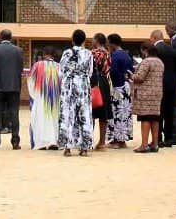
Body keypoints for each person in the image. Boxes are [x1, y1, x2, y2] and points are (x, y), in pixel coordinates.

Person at [59, 29, 94, 157]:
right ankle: (84, 148)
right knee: (84, 115)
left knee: (67, 115)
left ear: (72, 39)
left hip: (69, 87)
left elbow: (61, 71)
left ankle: (67, 148)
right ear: (84, 40)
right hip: (84, 87)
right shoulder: (89, 54)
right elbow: (90, 72)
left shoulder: (66, 53)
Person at [0, 29, 24, 151]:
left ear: (0, 37)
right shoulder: (18, 51)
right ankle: (15, 142)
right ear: (11, 37)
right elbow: (20, 68)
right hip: (14, 86)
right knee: (14, 113)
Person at [131, 42, 164, 153]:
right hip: (157, 93)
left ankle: (144, 145)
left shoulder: (146, 62)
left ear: (145, 51)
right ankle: (155, 144)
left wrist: (131, 75)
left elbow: (140, 77)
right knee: (155, 118)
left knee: (145, 118)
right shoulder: (160, 62)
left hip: (145, 94)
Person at [27, 46, 61, 150]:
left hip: (40, 98)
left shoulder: (37, 65)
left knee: (40, 120)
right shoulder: (59, 66)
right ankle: (53, 141)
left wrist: (34, 96)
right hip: (55, 99)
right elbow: (62, 81)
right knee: (54, 120)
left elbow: (30, 80)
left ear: (44, 54)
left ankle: (41, 143)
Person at [150, 29, 176, 148]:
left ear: (154, 38)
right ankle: (169, 137)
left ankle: (158, 138)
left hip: (159, 83)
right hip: (171, 83)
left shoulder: (155, 50)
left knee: (159, 111)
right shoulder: (171, 49)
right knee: (169, 111)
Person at [106, 34, 134, 148]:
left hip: (118, 87)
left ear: (112, 43)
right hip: (126, 86)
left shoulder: (115, 55)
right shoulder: (127, 55)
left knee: (117, 113)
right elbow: (131, 70)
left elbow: (113, 72)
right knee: (125, 113)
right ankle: (123, 139)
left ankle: (117, 140)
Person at [89, 33, 113, 151]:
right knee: (104, 114)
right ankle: (102, 142)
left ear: (97, 40)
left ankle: (89, 140)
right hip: (105, 82)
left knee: (91, 112)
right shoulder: (108, 53)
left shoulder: (93, 53)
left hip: (93, 82)